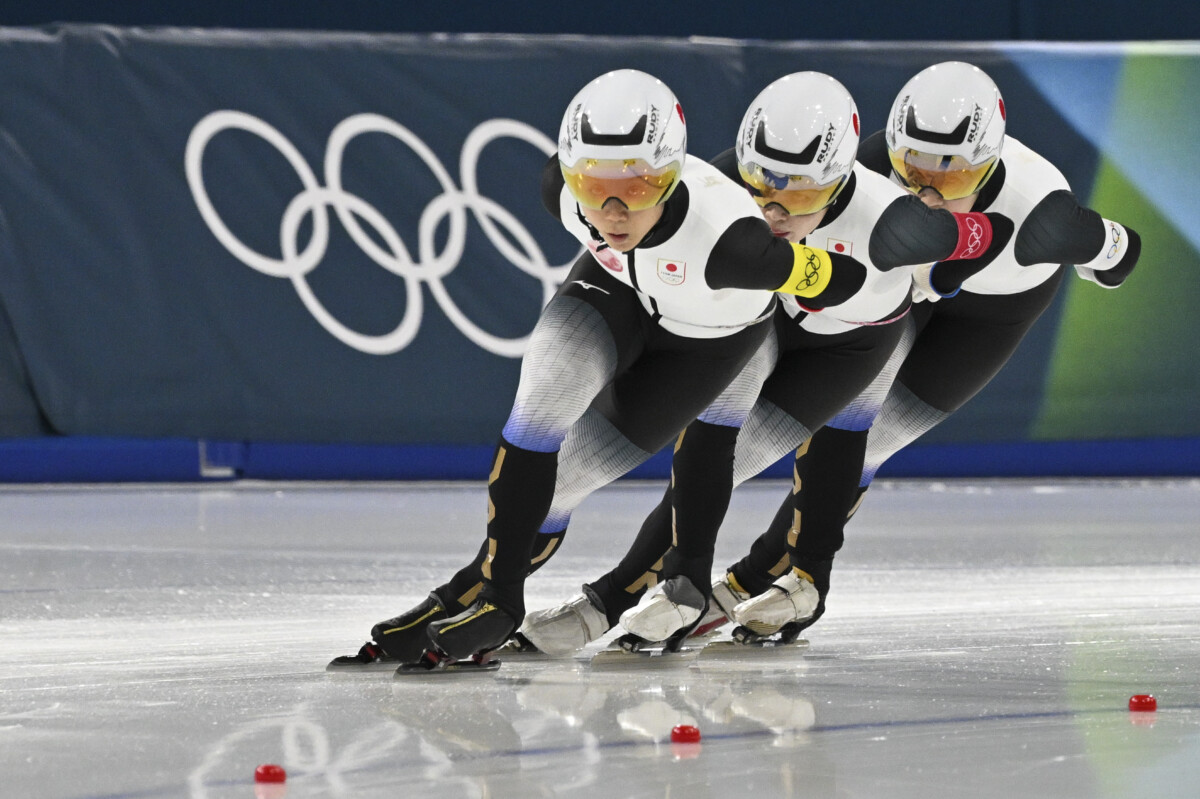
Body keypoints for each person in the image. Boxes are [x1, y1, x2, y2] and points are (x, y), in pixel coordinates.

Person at [331, 68, 877, 670]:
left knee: (567, 482)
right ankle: (496, 596)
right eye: (594, 186)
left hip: (702, 344)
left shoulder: (734, 244)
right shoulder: (560, 192)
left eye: (638, 189)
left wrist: (818, 265)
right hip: (614, 296)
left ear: (670, 177)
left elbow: (845, 281)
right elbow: (591, 202)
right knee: (538, 409)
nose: (613, 212)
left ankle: (465, 593)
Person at [514, 69, 1015, 655]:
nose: (774, 213)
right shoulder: (721, 182)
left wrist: (951, 262)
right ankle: (647, 586)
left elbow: (995, 232)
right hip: (770, 317)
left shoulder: (894, 217)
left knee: (801, 447)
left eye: (798, 195)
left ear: (835, 183)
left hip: (855, 343)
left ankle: (691, 587)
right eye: (760, 189)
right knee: (674, 452)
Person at [721, 60, 1142, 642]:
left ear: (990, 160)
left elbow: (1122, 259)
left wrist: (1099, 244)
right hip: (908, 290)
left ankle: (761, 573)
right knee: (843, 418)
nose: (926, 191)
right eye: (910, 167)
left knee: (876, 442)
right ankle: (766, 574)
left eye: (949, 176)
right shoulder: (867, 163)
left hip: (990, 315)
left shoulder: (1038, 206)